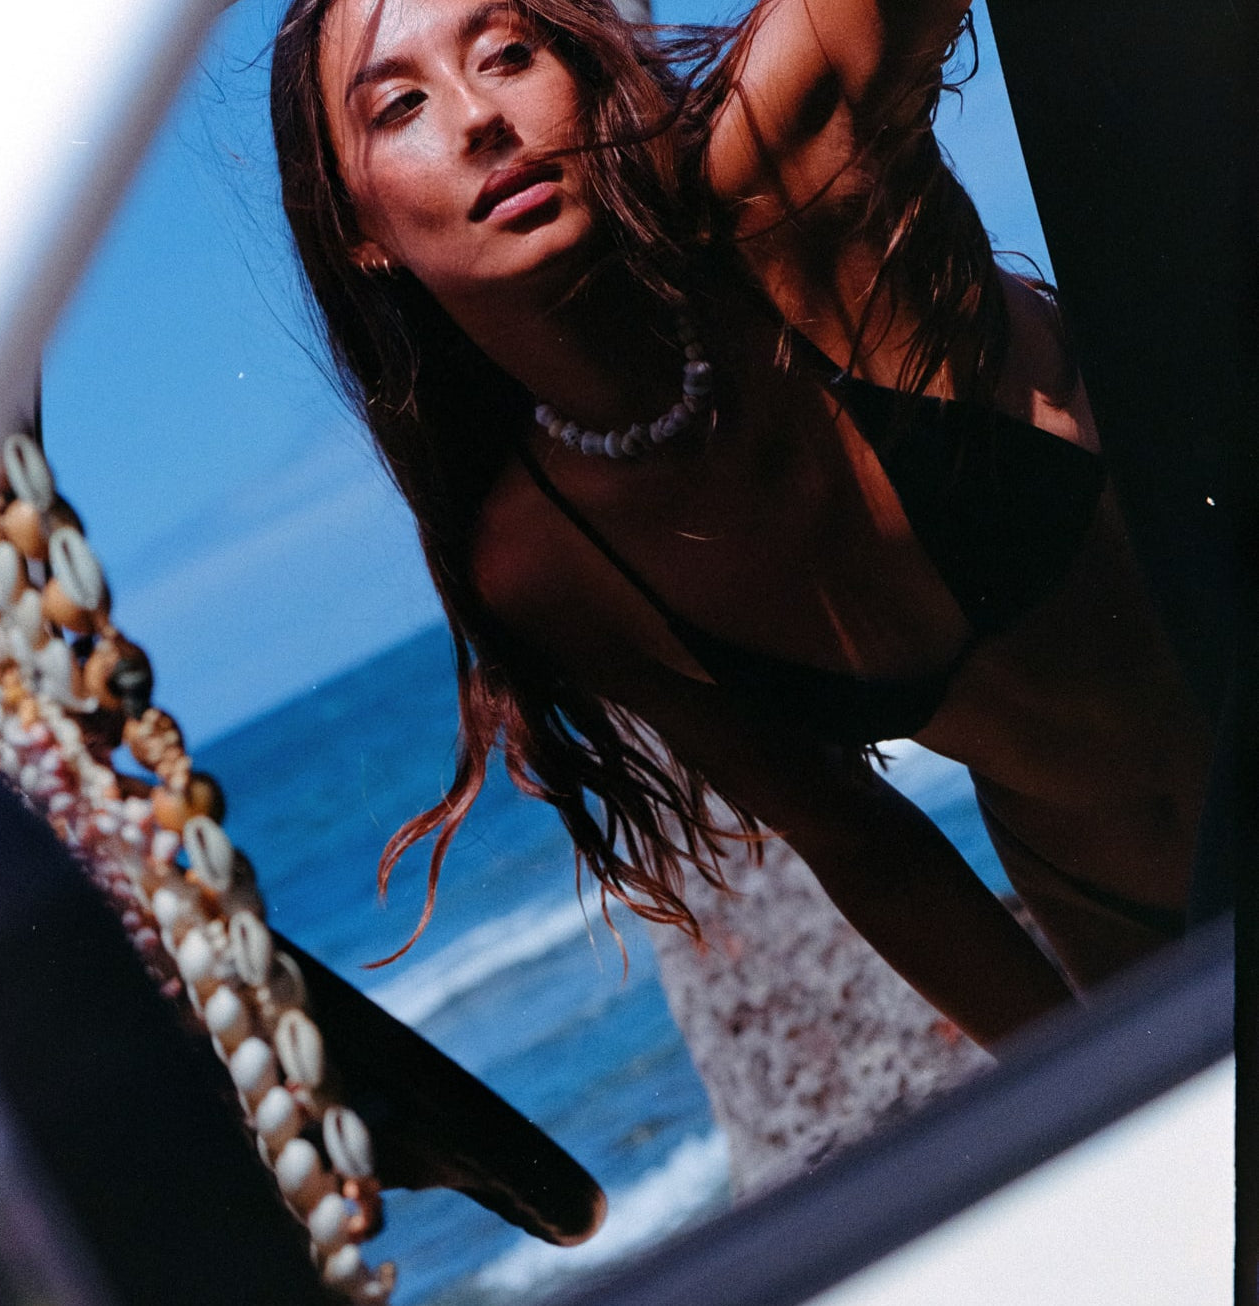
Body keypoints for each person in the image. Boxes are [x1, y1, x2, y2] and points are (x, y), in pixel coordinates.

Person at [269, 0, 1211, 1049]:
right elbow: (861, 845)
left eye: (508, 55)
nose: (479, 116)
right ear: (357, 231)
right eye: (400, 105)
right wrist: (1061, 1080)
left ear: (583, 73)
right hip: (1127, 921)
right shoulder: (546, 561)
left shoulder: (778, 179)